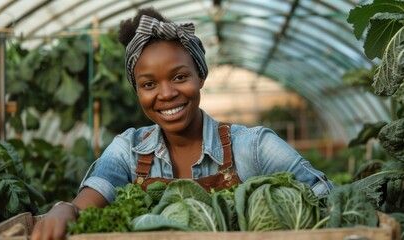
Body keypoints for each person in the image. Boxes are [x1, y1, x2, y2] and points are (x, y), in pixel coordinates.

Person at [31, 7, 333, 240]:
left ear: (200, 76)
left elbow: (327, 202)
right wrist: (64, 209)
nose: (166, 93)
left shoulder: (253, 147)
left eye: (179, 77)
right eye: (149, 84)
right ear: (137, 91)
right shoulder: (129, 151)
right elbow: (92, 196)